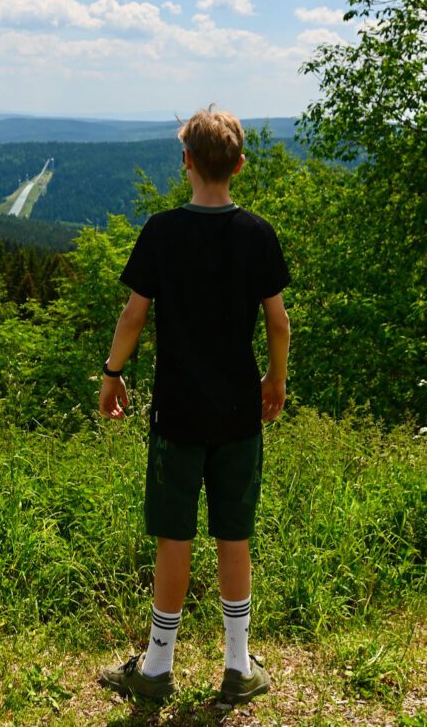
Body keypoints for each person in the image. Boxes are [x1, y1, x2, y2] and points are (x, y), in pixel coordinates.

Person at [98, 107, 290, 706]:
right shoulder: (257, 233)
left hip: (176, 412)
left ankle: (157, 668)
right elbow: (278, 323)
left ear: (185, 163)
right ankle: (238, 665)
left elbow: (134, 314)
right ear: (238, 164)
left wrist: (112, 373)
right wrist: (275, 381)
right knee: (235, 534)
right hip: (238, 411)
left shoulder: (161, 231)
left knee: (173, 537)